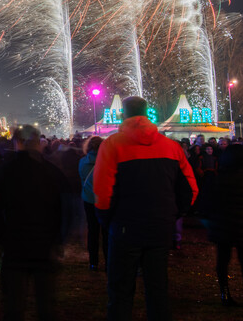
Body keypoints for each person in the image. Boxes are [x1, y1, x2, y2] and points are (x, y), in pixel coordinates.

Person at [93, 96, 198, 321]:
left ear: (123, 114)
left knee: (120, 292)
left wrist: (106, 220)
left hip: (124, 229)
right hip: (160, 228)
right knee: (158, 290)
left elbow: (102, 191)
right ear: (147, 112)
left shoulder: (112, 145)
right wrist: (173, 215)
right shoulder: (171, 147)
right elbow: (190, 188)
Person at [0, 125, 67, 321]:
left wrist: (0, 238)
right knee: (46, 306)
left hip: (15, 246)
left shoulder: (6, 171)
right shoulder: (51, 172)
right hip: (45, 246)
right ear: (37, 142)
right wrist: (58, 240)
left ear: (18, 142)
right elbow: (64, 208)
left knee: (14, 306)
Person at [204, 143, 243, 307]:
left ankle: (224, 293)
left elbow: (211, 201)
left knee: (223, 260)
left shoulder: (220, 178)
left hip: (224, 224)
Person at [79, 135, 108, 271]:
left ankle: (93, 261)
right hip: (104, 199)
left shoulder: (83, 162)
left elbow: (82, 178)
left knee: (93, 231)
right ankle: (108, 260)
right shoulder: (107, 161)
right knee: (107, 232)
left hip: (89, 199)